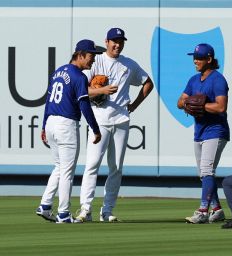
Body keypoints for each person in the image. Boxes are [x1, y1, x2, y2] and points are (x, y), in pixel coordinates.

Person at [75, 28, 154, 223]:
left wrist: (134, 105)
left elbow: (148, 83)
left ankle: (107, 210)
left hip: (121, 119)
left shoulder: (129, 64)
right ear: (107, 41)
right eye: (114, 41)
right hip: (99, 118)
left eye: (120, 41)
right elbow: (83, 89)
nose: (117, 44)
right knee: (92, 165)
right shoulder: (97, 60)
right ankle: (85, 209)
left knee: (116, 167)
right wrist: (102, 89)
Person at [36, 39, 102, 223]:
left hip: (51, 121)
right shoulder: (79, 77)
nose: (93, 60)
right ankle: (64, 213)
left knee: (59, 167)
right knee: (67, 171)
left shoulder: (58, 71)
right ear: (80, 54)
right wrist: (95, 129)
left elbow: (48, 100)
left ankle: (45, 204)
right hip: (66, 124)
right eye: (91, 56)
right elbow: (84, 105)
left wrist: (43, 125)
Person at [177, 43, 230, 224]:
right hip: (199, 132)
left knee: (207, 170)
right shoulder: (193, 80)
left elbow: (221, 107)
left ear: (209, 59)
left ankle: (202, 211)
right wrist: (187, 103)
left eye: (199, 58)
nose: (195, 61)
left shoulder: (218, 80)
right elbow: (180, 102)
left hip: (216, 131)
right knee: (204, 174)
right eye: (194, 57)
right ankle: (217, 209)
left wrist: (201, 105)